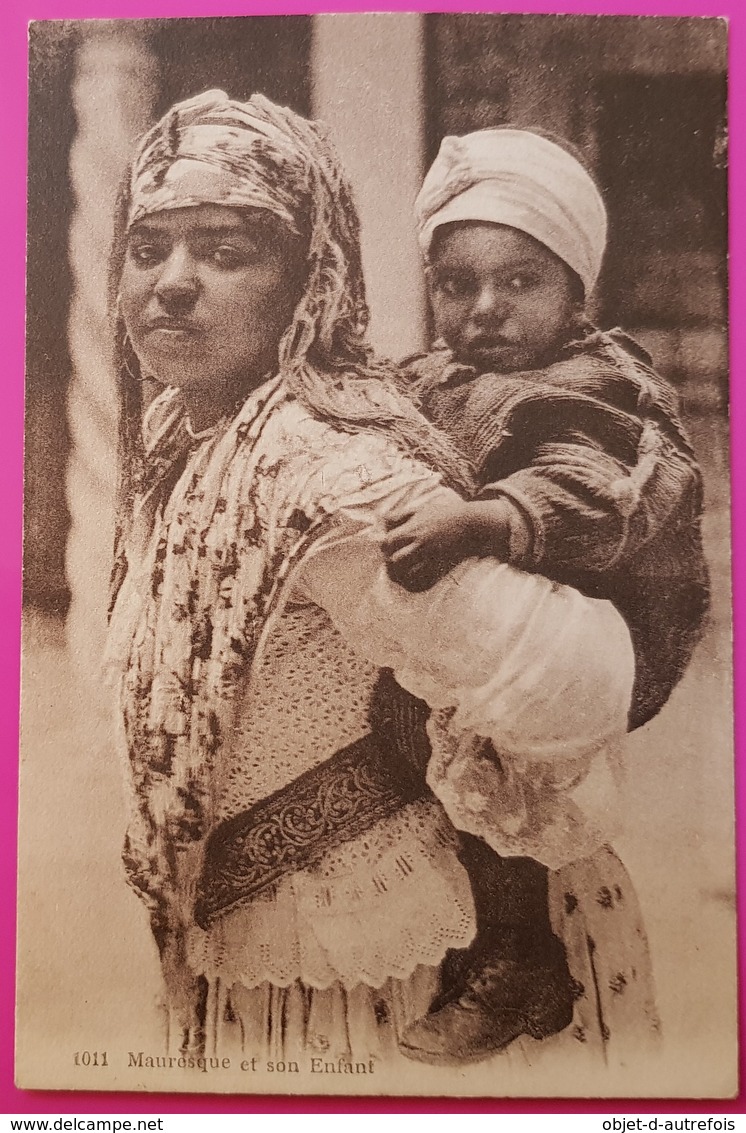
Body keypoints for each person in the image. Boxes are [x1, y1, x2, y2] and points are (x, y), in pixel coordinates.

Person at [105, 91, 638, 1068]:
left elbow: (570, 678)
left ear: (305, 280)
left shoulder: (327, 470)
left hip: (364, 958)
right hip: (242, 934)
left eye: (224, 252)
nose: (172, 283)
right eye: (150, 248)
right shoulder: (181, 430)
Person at [374, 126, 708, 1064]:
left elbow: (596, 488)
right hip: (498, 624)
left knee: (490, 755)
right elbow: (390, 399)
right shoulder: (449, 369)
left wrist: (483, 520)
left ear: (576, 293)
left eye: (519, 281)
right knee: (404, 720)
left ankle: (521, 951)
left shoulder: (594, 383)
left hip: (591, 631)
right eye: (456, 283)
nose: (484, 308)